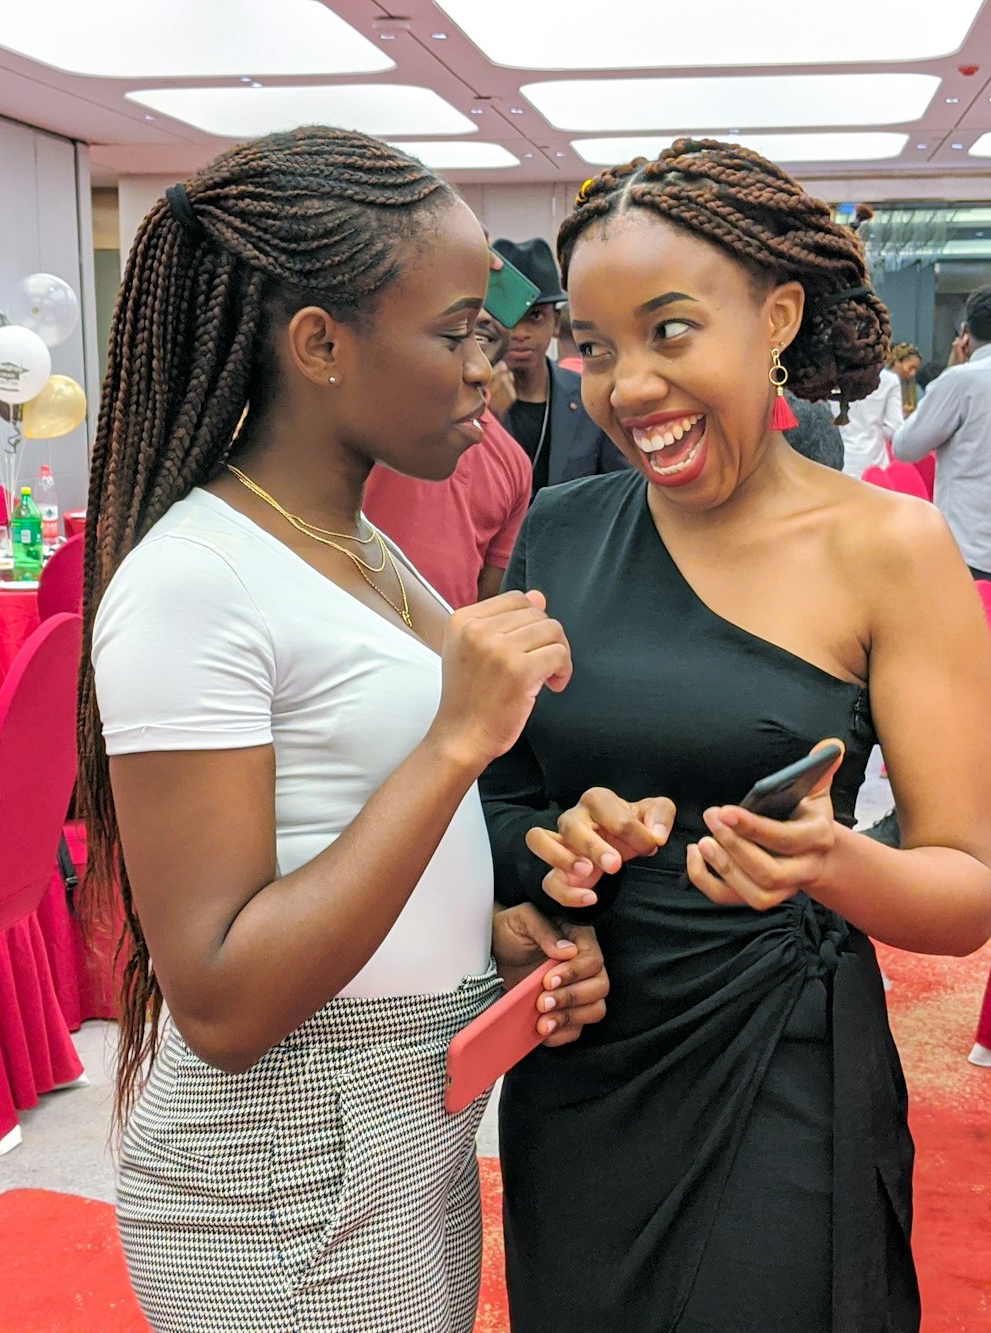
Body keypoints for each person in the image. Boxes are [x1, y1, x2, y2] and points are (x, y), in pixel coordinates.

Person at [77, 125, 609, 1333]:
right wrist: (455, 744)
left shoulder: (348, 543)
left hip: (395, 1143)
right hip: (278, 1187)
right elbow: (217, 1001)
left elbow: (344, 842)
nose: (490, 364)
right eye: (456, 328)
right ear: (317, 343)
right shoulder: (195, 579)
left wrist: (492, 937)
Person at [480, 138, 991, 1333]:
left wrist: (833, 862)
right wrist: (550, 850)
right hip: (584, 1059)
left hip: (778, 1066)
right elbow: (497, 799)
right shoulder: (557, 532)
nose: (626, 388)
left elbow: (966, 888)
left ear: (775, 316)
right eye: (593, 348)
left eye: (669, 332)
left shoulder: (888, 550)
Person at [363, 307, 532, 606]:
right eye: (467, 303)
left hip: (442, 650)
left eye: (498, 298)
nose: (482, 316)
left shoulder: (513, 461)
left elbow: (486, 600)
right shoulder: (373, 414)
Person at [493, 236, 627, 493]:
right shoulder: (467, 402)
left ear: (555, 323)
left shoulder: (589, 395)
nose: (520, 333)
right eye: (509, 316)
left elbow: (618, 489)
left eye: (535, 317)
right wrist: (490, 416)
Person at [892, 288, 991, 580]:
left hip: (970, 547)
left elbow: (905, 447)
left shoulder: (963, 380)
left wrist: (951, 372)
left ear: (965, 332)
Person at [833, 361, 903, 478]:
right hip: (875, 464)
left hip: (837, 462)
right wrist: (875, 428)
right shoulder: (889, 380)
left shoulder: (828, 377)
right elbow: (894, 428)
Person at [889, 341, 922, 416]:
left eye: (916, 369)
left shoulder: (917, 391)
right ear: (897, 362)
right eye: (910, 368)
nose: (913, 373)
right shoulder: (879, 384)